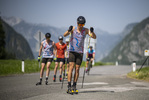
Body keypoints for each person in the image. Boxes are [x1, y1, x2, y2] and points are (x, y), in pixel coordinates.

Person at [63, 16, 96, 94]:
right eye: (80, 25)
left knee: (77, 69)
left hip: (80, 52)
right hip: (72, 51)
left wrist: (92, 32)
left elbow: (94, 37)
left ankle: (74, 85)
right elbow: (64, 35)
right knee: (71, 67)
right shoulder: (73, 29)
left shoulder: (86, 30)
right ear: (77, 23)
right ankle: (69, 85)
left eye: (83, 25)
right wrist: (69, 30)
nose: (81, 26)